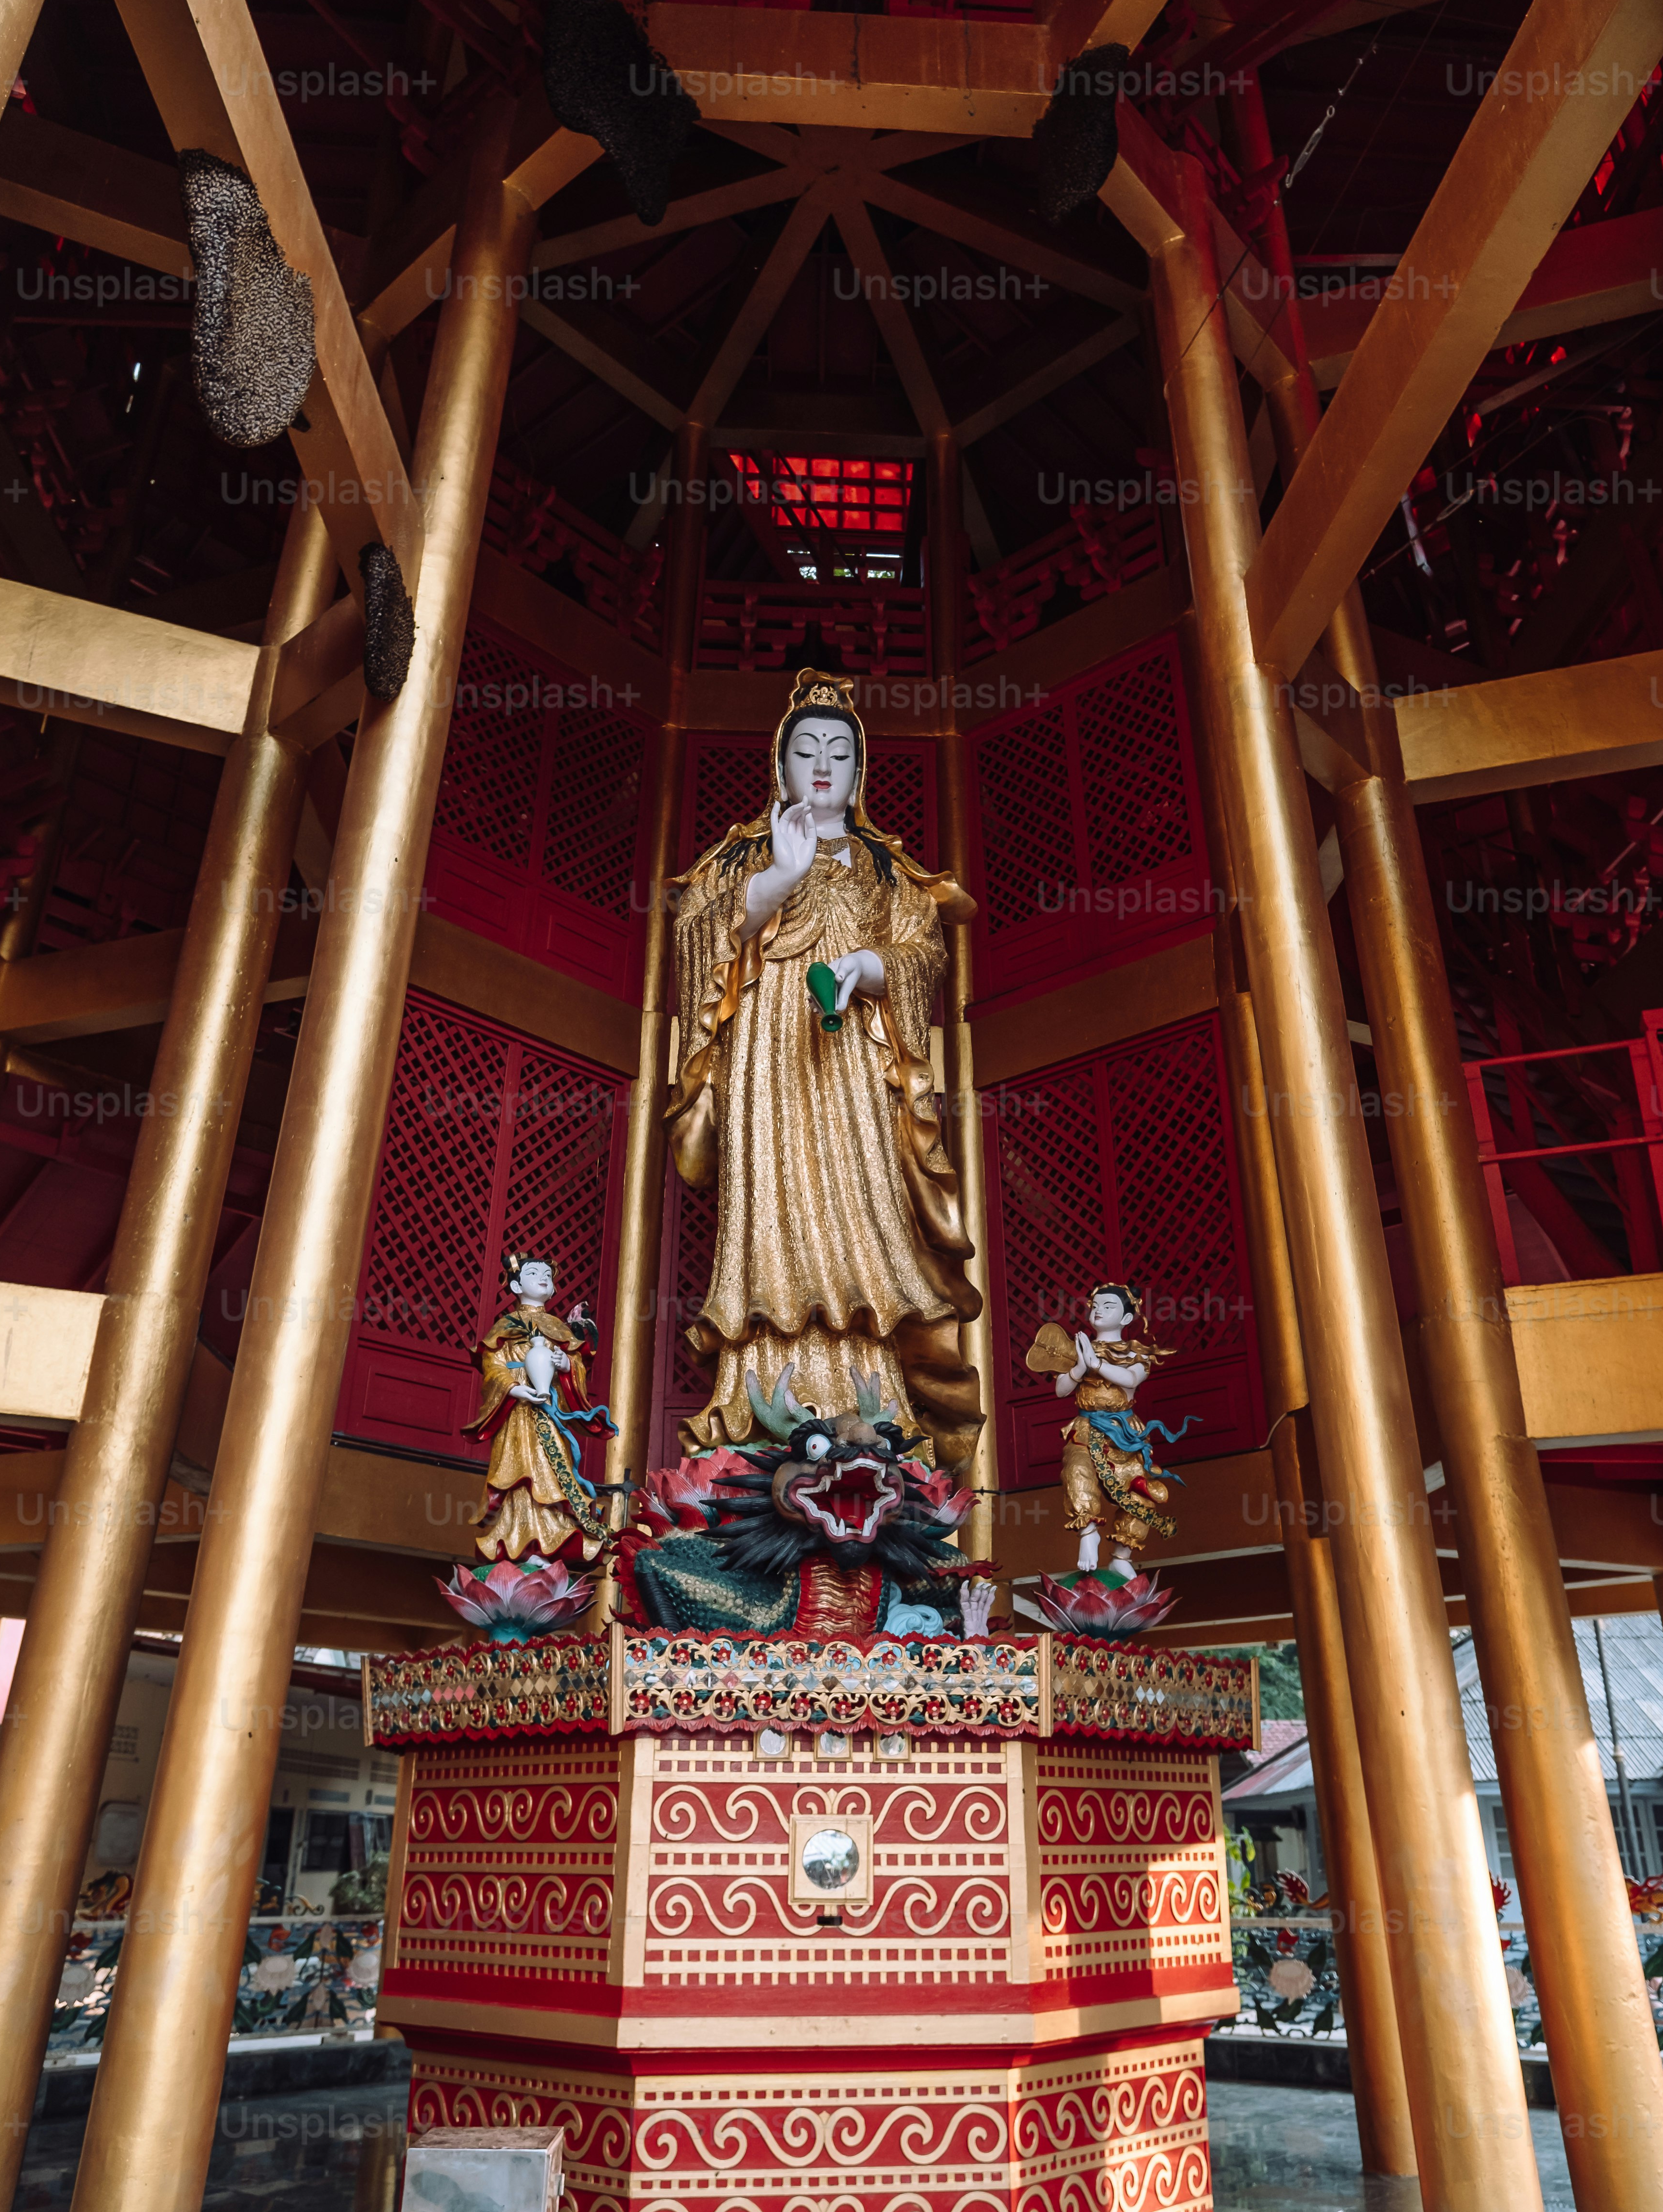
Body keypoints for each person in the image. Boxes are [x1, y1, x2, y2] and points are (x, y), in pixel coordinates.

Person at [665, 669, 982, 1464]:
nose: (821, 765)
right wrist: (776, 877)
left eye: (839, 753)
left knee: (863, 1211)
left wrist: (869, 968)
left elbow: (923, 953)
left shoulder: (884, 866)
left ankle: (872, 1399)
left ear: (859, 771)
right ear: (780, 764)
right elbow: (695, 935)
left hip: (852, 1057)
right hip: (767, 1053)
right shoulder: (742, 855)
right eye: (805, 749)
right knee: (770, 1205)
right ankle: (757, 1398)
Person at [1024, 1282, 1194, 1573]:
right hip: (1085, 1427)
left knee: (1140, 1491)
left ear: (1127, 1318)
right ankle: (1088, 1533)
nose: (1099, 1310)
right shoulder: (1079, 1350)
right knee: (1076, 1470)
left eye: (1109, 1306)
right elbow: (1061, 1390)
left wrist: (1097, 1364)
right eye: (1096, 1306)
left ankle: (1121, 1557)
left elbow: (1131, 1380)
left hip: (1124, 1431)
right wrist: (1080, 1367)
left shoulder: (1136, 1353)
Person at [462, 1251, 613, 1561]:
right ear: (516, 1286)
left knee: (551, 1470)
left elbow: (578, 1366)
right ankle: (516, 1539)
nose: (543, 1279)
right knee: (518, 1471)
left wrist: (567, 1365)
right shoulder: (505, 1327)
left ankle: (555, 1536)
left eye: (548, 1275)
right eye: (533, 1274)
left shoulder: (559, 1329)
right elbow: (493, 1366)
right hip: (517, 1413)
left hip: (550, 1410)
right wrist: (514, 1388)